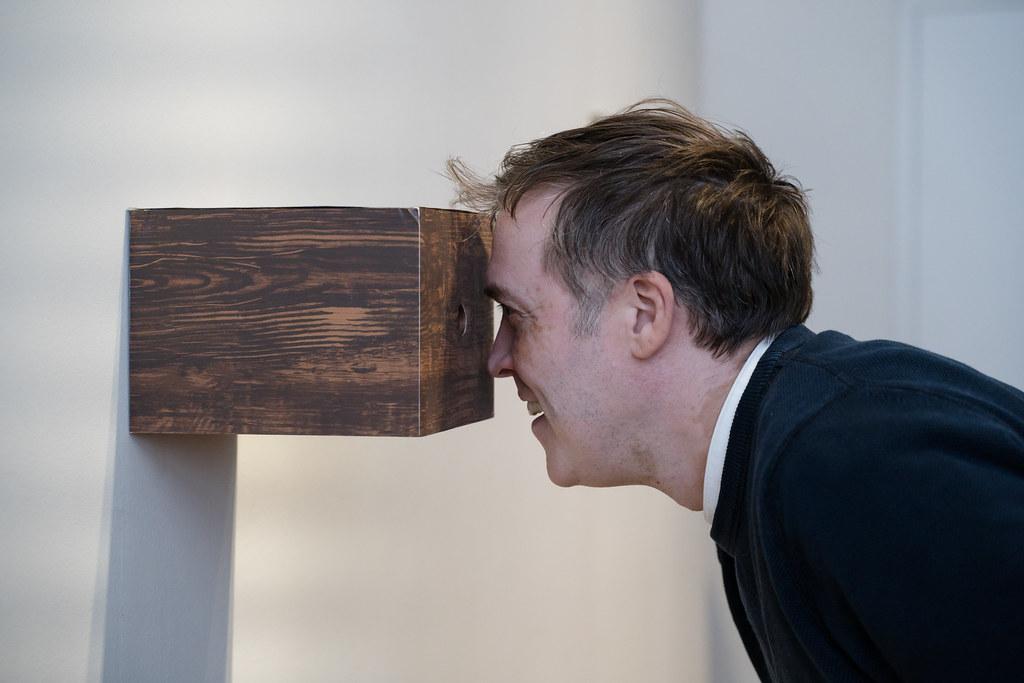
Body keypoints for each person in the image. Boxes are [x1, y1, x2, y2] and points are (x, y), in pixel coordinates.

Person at [446, 99, 1024, 682]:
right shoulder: (778, 461)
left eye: (518, 315)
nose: (498, 360)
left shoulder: (851, 460)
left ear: (644, 315)